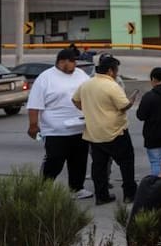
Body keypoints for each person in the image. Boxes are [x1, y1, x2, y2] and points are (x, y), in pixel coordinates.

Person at [25, 48, 93, 200]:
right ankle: (43, 188)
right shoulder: (45, 78)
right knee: (55, 159)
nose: (75, 65)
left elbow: (90, 92)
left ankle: (76, 189)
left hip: (79, 127)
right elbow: (34, 104)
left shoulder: (80, 75)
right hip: (55, 130)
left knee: (79, 161)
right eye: (73, 61)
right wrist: (33, 125)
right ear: (62, 61)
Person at [73, 54, 138, 205]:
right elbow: (124, 106)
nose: (117, 73)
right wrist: (132, 99)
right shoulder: (112, 85)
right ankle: (129, 194)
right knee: (126, 163)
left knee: (99, 167)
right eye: (116, 70)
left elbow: (75, 100)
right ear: (110, 71)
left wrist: (88, 110)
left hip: (94, 133)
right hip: (115, 131)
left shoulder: (86, 84)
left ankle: (101, 196)